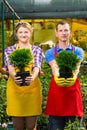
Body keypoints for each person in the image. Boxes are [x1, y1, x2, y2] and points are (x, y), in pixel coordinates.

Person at [44, 20, 84, 130]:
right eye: (60, 31)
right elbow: (54, 67)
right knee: (55, 126)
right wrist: (57, 77)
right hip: (57, 93)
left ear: (70, 32)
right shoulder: (50, 52)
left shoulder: (78, 51)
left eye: (66, 30)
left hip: (73, 93)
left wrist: (74, 76)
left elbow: (76, 67)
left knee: (74, 126)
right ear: (56, 33)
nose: (63, 33)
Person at [4, 22, 43, 130]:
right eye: (20, 32)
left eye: (26, 32)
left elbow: (37, 66)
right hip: (15, 91)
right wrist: (13, 76)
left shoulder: (36, 50)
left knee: (31, 126)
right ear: (16, 34)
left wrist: (33, 77)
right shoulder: (9, 50)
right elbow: (10, 66)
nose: (23, 34)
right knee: (17, 126)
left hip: (32, 90)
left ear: (30, 33)